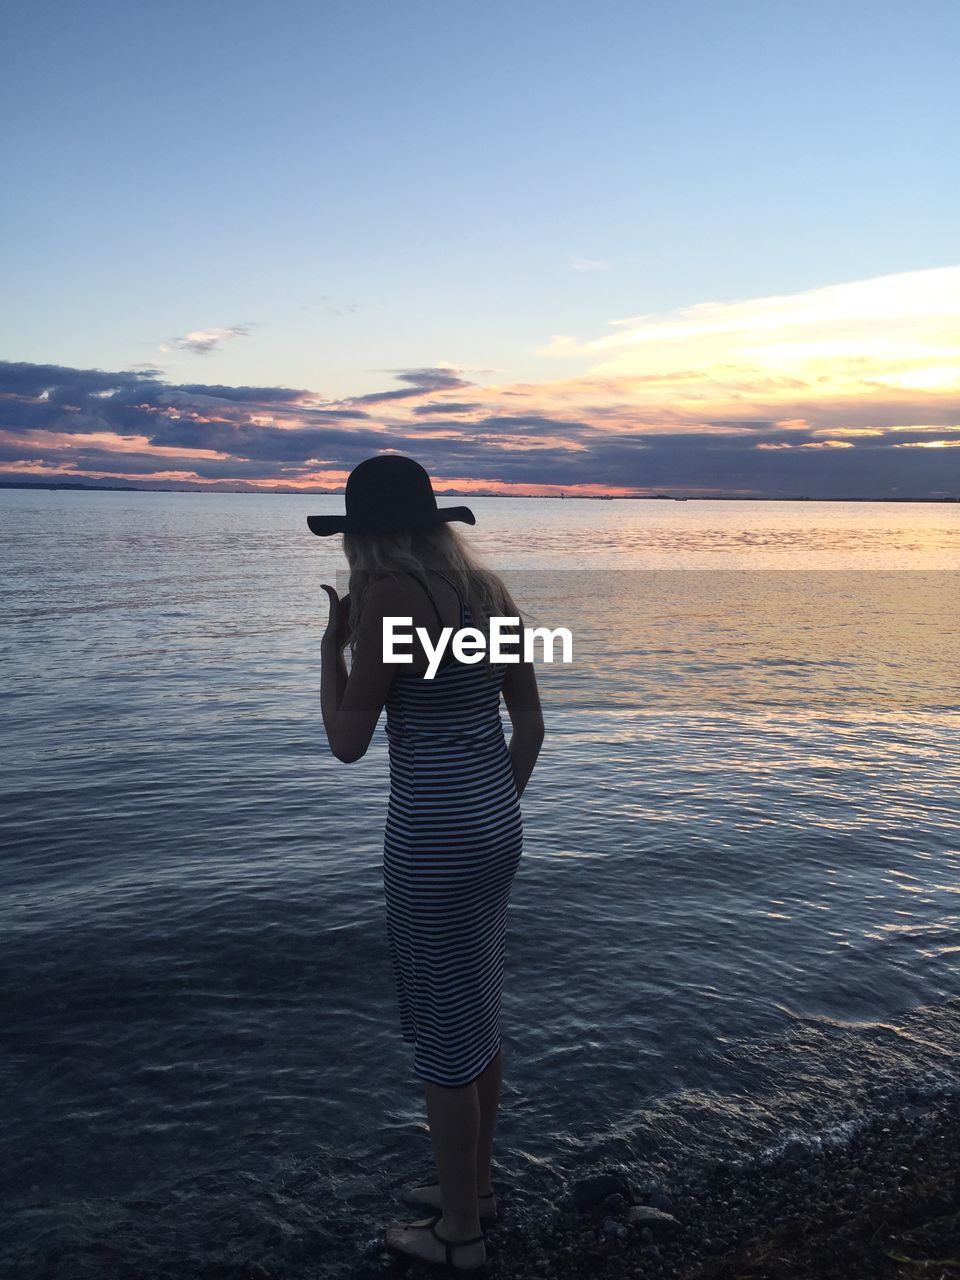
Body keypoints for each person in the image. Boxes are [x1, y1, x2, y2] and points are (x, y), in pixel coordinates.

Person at [308, 455, 544, 1273]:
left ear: (365, 537)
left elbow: (346, 743)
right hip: (494, 831)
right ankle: (470, 1192)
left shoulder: (386, 601)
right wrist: (489, 810)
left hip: (431, 844)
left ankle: (460, 1241)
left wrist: (330, 649)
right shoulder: (490, 596)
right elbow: (531, 728)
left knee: (444, 1037)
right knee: (479, 1013)